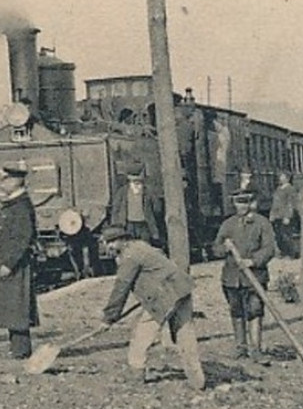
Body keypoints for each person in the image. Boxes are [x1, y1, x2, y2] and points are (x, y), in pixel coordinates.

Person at [99, 226, 206, 388]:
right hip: (181, 289)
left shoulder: (130, 256)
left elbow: (121, 288)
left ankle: (135, 375)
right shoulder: (142, 246)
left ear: (122, 240)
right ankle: (197, 381)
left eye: (111, 242)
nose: (109, 247)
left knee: (141, 335)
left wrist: (109, 317)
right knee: (186, 335)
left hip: (164, 296)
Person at [0, 161, 40, 359]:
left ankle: (21, 349)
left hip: (14, 266)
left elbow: (23, 237)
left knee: (17, 306)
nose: (2, 182)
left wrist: (9, 263)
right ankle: (16, 347)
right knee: (11, 306)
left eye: (6, 179)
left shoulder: (21, 206)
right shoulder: (14, 203)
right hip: (6, 264)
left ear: (16, 181)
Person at [213, 186, 277, 366]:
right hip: (231, 277)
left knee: (255, 310)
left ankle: (255, 349)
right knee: (236, 310)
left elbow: (270, 249)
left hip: (254, 276)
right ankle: (240, 347)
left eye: (245, 202)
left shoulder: (261, 223)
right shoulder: (228, 224)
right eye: (238, 202)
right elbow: (215, 248)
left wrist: (253, 261)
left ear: (251, 203)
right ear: (234, 204)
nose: (241, 206)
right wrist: (223, 248)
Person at [108, 160, 166, 249]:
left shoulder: (148, 192)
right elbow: (116, 209)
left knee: (145, 248)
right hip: (128, 225)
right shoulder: (122, 192)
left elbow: (157, 209)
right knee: (128, 248)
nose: (136, 185)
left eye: (138, 182)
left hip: (144, 225)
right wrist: (116, 226)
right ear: (129, 181)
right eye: (133, 182)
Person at [270, 171, 301, 259]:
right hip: (277, 216)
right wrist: (272, 214)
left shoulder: (290, 189)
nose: (279, 178)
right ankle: (283, 252)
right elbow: (274, 203)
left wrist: (287, 216)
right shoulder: (278, 189)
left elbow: (291, 203)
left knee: (286, 235)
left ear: (287, 178)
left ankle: (292, 253)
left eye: (282, 176)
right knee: (278, 235)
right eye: (280, 176)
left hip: (284, 216)